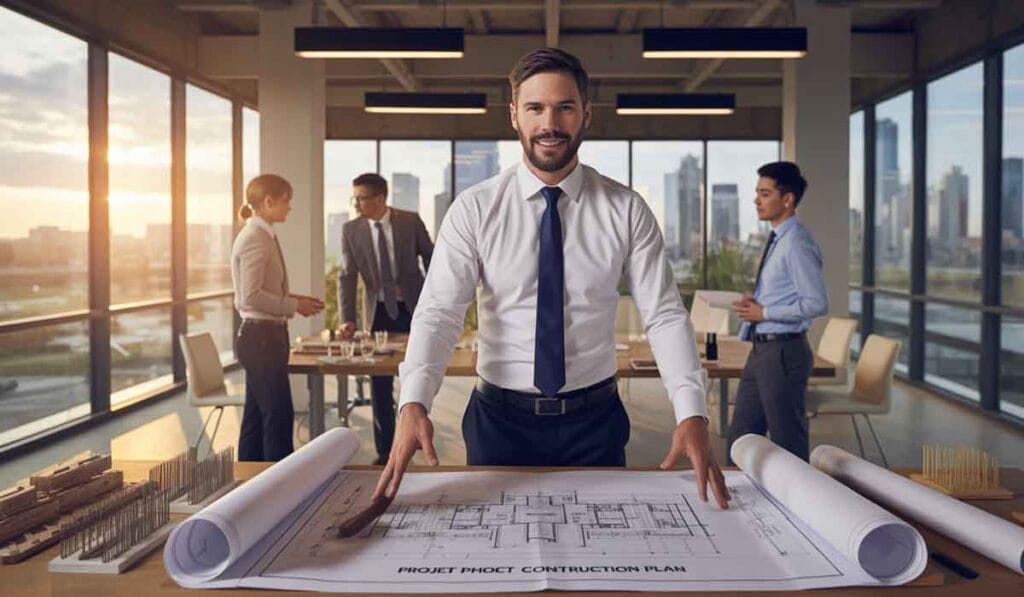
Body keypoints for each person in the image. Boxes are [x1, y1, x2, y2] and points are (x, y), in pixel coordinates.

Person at [373, 48, 730, 510]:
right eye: (535, 108)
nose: (550, 123)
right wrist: (414, 401)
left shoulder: (625, 209)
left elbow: (663, 315)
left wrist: (692, 412)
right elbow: (441, 312)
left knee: (599, 561)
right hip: (497, 422)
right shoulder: (475, 209)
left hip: (595, 423)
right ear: (514, 116)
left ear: (586, 114)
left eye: (565, 107)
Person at [729, 161, 828, 462]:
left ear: (787, 199)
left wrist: (765, 312)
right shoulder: (778, 240)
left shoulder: (796, 243)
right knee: (741, 439)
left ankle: (797, 506)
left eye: (765, 193)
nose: (756, 200)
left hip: (784, 352)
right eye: (757, 193)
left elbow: (816, 303)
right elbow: (786, 291)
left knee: (788, 442)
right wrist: (757, 303)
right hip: (762, 352)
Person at [337, 173, 434, 465]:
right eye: (354, 198)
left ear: (380, 199)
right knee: (379, 384)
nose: (356, 204)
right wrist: (347, 319)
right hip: (376, 313)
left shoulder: (410, 221)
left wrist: (437, 300)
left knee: (414, 376)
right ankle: (385, 452)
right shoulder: (351, 230)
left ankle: (414, 435)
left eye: (361, 198)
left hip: (411, 309)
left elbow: (431, 258)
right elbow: (347, 276)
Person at [231, 174, 323, 461]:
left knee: (257, 418)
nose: (289, 207)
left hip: (265, 336)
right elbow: (250, 296)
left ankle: (250, 485)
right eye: (286, 201)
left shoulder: (261, 234)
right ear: (268, 202)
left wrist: (295, 300)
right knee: (278, 417)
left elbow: (261, 291)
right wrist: (293, 305)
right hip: (262, 338)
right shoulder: (255, 238)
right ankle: (282, 487)